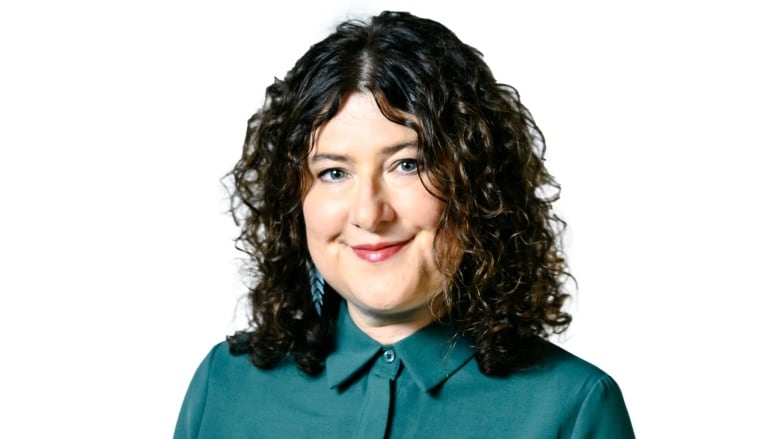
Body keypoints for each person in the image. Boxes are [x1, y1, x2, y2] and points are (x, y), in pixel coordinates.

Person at [174, 10, 634, 438]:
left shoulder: (572, 407)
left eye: (407, 165)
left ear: (479, 186)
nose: (370, 214)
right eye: (334, 172)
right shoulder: (225, 384)